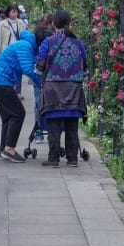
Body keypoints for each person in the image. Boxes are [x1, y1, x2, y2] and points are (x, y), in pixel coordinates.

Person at [36, 9, 88, 168]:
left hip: (53, 88)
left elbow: (40, 64)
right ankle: (72, 159)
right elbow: (84, 64)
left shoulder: (48, 42)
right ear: (70, 23)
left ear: (53, 24)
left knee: (54, 124)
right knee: (72, 124)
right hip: (73, 88)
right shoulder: (78, 43)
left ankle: (53, 158)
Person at [0, 30, 42, 163]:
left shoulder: (25, 44)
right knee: (18, 113)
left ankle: (4, 150)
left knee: (8, 117)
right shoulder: (25, 46)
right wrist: (43, 83)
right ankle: (9, 149)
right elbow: (28, 69)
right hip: (2, 82)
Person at [30, 13, 55, 143]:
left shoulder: (37, 34)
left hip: (38, 74)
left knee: (38, 103)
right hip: (49, 76)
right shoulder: (50, 38)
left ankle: (39, 132)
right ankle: (51, 131)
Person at [0, 4, 26, 98]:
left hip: (18, 51)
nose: (14, 14)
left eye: (16, 12)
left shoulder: (21, 23)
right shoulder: (3, 23)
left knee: (18, 71)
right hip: (7, 50)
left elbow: (25, 37)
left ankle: (18, 92)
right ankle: (8, 90)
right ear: (8, 12)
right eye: (12, 12)